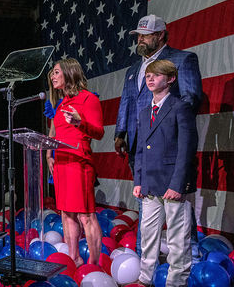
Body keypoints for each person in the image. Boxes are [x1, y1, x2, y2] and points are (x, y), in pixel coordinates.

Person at [114, 14, 203, 258]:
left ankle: (191, 259)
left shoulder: (182, 59)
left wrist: (167, 127)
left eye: (146, 35)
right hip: (138, 144)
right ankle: (146, 263)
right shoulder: (134, 69)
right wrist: (121, 133)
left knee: (178, 205)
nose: (141, 40)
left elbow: (191, 98)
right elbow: (127, 101)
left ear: (161, 35)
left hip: (168, 144)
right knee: (146, 201)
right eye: (139, 35)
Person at [133, 60, 197, 286]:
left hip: (173, 184)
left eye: (157, 75)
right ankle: (144, 279)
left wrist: (178, 185)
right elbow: (141, 149)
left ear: (170, 79)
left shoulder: (180, 107)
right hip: (149, 185)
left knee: (178, 240)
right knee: (148, 238)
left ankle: (175, 283)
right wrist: (138, 180)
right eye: (148, 75)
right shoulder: (143, 113)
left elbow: (186, 149)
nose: (150, 79)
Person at [45, 58, 104, 266]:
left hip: (79, 162)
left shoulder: (88, 99)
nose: (53, 76)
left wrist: (81, 122)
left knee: (86, 216)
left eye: (56, 72)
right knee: (67, 213)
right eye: (52, 73)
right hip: (60, 162)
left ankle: (94, 265)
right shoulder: (60, 102)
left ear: (70, 73)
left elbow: (99, 133)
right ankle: (74, 259)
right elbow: (54, 133)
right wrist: (49, 155)